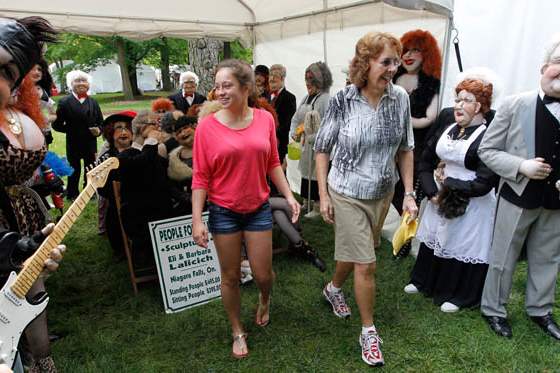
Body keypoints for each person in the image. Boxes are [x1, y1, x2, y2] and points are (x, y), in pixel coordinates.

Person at [314, 32, 417, 367]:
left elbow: (405, 149)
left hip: (382, 192)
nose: (392, 69)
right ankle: (369, 332)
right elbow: (321, 149)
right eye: (385, 62)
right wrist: (323, 195)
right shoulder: (343, 100)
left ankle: (333, 288)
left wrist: (410, 194)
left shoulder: (400, 98)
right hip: (346, 192)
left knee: (359, 252)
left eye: (395, 62)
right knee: (367, 263)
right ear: (365, 63)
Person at [192, 59, 300, 359]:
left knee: (263, 274)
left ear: (246, 87)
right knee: (230, 276)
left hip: (258, 208)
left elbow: (273, 162)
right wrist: (197, 219)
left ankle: (264, 299)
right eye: (217, 86)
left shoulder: (265, 119)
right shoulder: (207, 128)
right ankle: (237, 329)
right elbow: (200, 177)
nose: (220, 91)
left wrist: (289, 195)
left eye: (227, 85)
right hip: (223, 211)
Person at [478, 35, 560, 341]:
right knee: (504, 255)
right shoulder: (514, 104)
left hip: (556, 202)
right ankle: (494, 309)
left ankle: (540, 309)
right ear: (544, 67)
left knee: (548, 256)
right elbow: (487, 151)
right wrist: (520, 166)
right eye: (559, 63)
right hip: (518, 196)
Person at [0, 16, 63, 372]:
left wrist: (16, 245)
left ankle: (41, 359)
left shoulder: (18, 112)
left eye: (10, 71)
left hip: (22, 212)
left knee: (31, 291)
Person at [404, 75, 498, 313]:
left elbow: (485, 182)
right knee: (435, 238)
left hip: (471, 201)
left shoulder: (488, 136)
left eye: (466, 100)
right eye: (457, 99)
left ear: (479, 107)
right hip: (439, 196)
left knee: (461, 242)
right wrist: (432, 191)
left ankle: (458, 294)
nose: (458, 105)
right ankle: (423, 281)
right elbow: (425, 162)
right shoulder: (447, 126)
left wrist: (450, 184)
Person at [391, 29, 442, 257]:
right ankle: (398, 231)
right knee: (393, 189)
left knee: (411, 191)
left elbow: (430, 118)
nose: (409, 55)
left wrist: (403, 121)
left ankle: (410, 238)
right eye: (406, 50)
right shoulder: (393, 78)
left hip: (419, 145)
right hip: (392, 143)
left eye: (416, 50)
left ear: (427, 55)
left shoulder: (432, 83)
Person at [289, 61, 333, 218]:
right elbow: (296, 118)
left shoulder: (325, 99)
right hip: (306, 145)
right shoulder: (306, 98)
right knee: (306, 172)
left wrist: (312, 137)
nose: (308, 84)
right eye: (306, 80)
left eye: (311, 80)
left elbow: (328, 125)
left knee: (316, 173)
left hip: (318, 146)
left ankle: (316, 204)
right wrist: (295, 131)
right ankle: (306, 202)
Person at [52, 70, 103, 200]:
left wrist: (99, 130)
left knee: (90, 168)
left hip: (90, 143)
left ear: (88, 84)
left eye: (84, 80)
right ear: (71, 84)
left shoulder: (93, 102)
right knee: (74, 169)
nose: (81, 83)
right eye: (77, 81)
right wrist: (70, 130)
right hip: (73, 142)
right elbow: (56, 125)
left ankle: (90, 192)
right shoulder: (64, 102)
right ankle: (72, 193)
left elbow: (101, 123)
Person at [97, 110, 136, 260]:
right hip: (118, 201)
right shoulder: (107, 157)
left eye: (127, 128)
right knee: (113, 214)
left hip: (141, 199)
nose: (123, 132)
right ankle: (120, 249)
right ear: (111, 133)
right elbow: (102, 188)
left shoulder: (140, 152)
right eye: (119, 128)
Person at [269, 64, 297, 164]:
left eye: (274, 80)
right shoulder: (266, 96)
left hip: (279, 143)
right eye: (270, 80)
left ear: (282, 79)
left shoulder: (289, 97)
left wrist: (272, 134)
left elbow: (288, 123)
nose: (271, 83)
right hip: (265, 143)